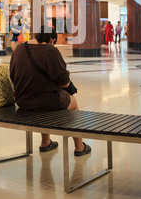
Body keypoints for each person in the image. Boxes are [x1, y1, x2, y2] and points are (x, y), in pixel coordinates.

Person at [9, 25, 91, 156]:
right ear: (52, 40)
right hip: (45, 102)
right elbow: (64, 82)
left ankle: (45, 142)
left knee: (42, 95)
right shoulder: (49, 50)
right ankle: (79, 146)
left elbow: (12, 75)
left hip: (22, 100)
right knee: (73, 103)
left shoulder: (19, 48)